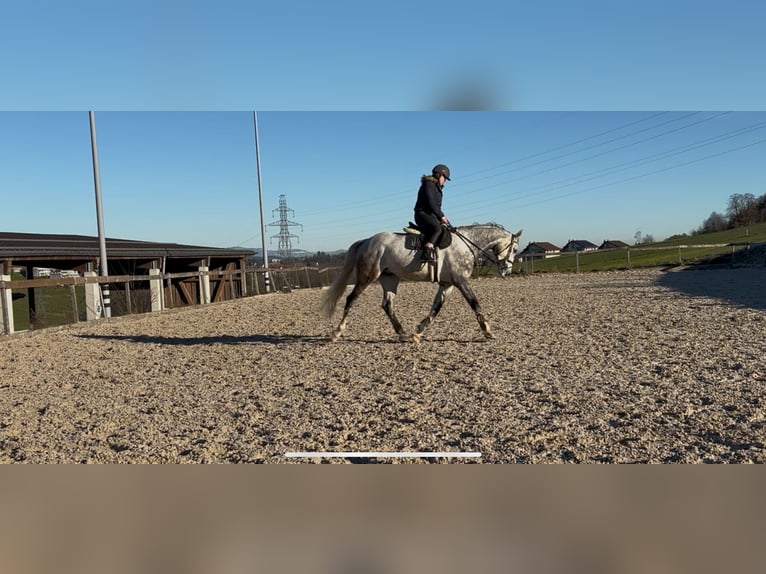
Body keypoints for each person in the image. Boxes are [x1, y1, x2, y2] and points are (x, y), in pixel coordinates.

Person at [414, 163, 451, 261]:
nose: (445, 181)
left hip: (430, 215)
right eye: (444, 178)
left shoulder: (437, 188)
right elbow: (431, 203)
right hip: (421, 214)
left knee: (444, 229)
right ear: (439, 175)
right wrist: (442, 216)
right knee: (437, 228)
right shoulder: (429, 184)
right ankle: (426, 252)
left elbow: (436, 207)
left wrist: (441, 218)